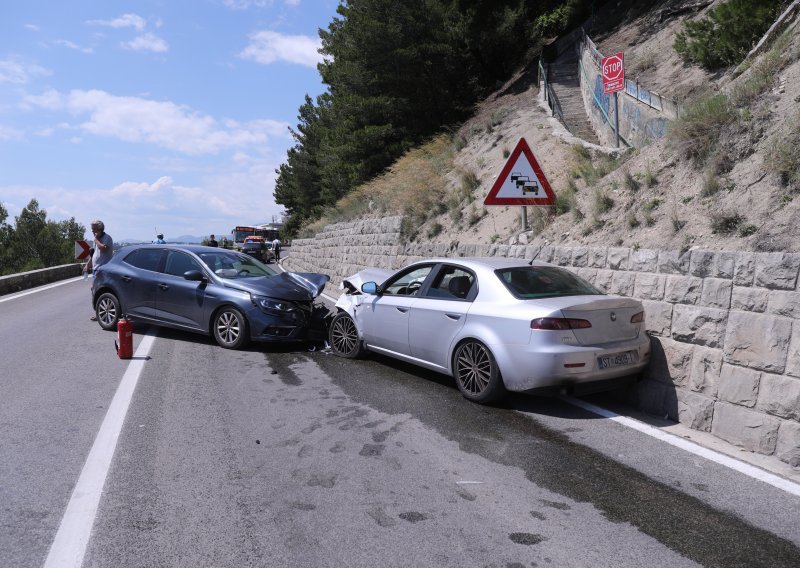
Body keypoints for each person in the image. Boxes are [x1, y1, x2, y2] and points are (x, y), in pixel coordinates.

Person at [83, 219, 113, 321]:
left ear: (100, 229)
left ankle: (101, 313)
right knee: (95, 290)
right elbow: (94, 255)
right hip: (96, 270)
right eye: (92, 230)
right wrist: (87, 265)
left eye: (94, 230)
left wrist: (96, 240)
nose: (93, 232)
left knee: (101, 291)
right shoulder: (97, 239)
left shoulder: (107, 238)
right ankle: (99, 312)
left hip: (103, 269)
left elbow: (104, 249)